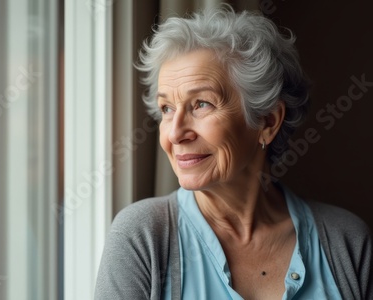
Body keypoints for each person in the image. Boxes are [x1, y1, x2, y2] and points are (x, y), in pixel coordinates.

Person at [94, 5, 372, 300]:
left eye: (202, 103)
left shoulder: (348, 241)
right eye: (167, 108)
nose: (175, 133)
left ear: (267, 121)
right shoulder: (141, 236)